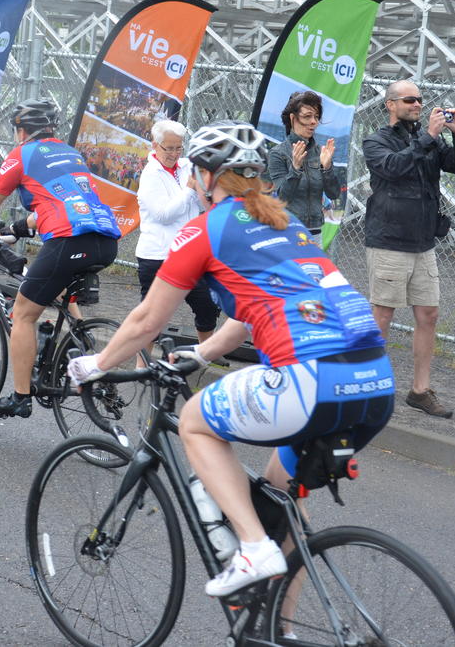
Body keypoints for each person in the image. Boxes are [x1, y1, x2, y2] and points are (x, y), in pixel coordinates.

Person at [67, 121, 393, 597]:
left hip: (309, 379)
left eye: (194, 172)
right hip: (374, 381)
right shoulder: (286, 223)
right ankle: (278, 627)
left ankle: (253, 548)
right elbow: (250, 313)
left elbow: (146, 321)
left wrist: (96, 365)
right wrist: (201, 352)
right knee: (282, 503)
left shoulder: (206, 229)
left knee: (195, 422)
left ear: (206, 177)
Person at [0, 98, 121, 418]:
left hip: (69, 240)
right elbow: (59, 201)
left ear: (22, 130)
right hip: (106, 241)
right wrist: (18, 229)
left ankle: (21, 397)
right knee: (57, 285)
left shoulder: (22, 155)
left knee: (23, 314)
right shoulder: (70, 153)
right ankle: (82, 339)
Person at [362, 80, 455, 419]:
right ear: (390, 105)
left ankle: (420, 391)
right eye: (409, 99)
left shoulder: (428, 140)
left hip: (423, 242)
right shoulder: (376, 140)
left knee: (429, 315)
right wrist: (428, 136)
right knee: (383, 315)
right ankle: (368, 387)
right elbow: (393, 168)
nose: (417, 105)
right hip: (389, 240)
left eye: (420, 100)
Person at [135, 119, 220, 346]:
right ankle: (142, 362)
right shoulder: (150, 175)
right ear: (155, 145)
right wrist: (190, 190)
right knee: (152, 316)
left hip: (188, 252)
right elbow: (164, 214)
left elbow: (199, 205)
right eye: (169, 148)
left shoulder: (186, 166)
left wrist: (204, 191)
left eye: (179, 148)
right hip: (158, 255)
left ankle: (207, 353)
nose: (174, 154)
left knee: (207, 304)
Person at [266, 90, 342, 236]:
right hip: (288, 230)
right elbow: (282, 198)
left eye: (316, 117)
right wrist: (295, 168)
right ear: (292, 118)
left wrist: (327, 168)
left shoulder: (321, 152)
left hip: (315, 231)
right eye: (307, 116)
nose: (314, 121)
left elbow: (334, 194)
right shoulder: (278, 153)